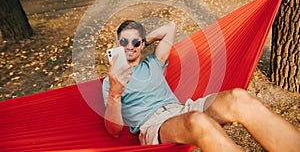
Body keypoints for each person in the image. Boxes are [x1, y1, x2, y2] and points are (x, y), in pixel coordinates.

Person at [102, 20, 300, 152]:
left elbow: (170, 27)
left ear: (142, 44)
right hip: (154, 125)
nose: (130, 46)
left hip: (184, 108)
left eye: (135, 41)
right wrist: (115, 94)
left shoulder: (154, 62)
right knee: (198, 122)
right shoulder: (111, 81)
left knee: (238, 98)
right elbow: (114, 131)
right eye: (124, 41)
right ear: (117, 44)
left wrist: (146, 39)